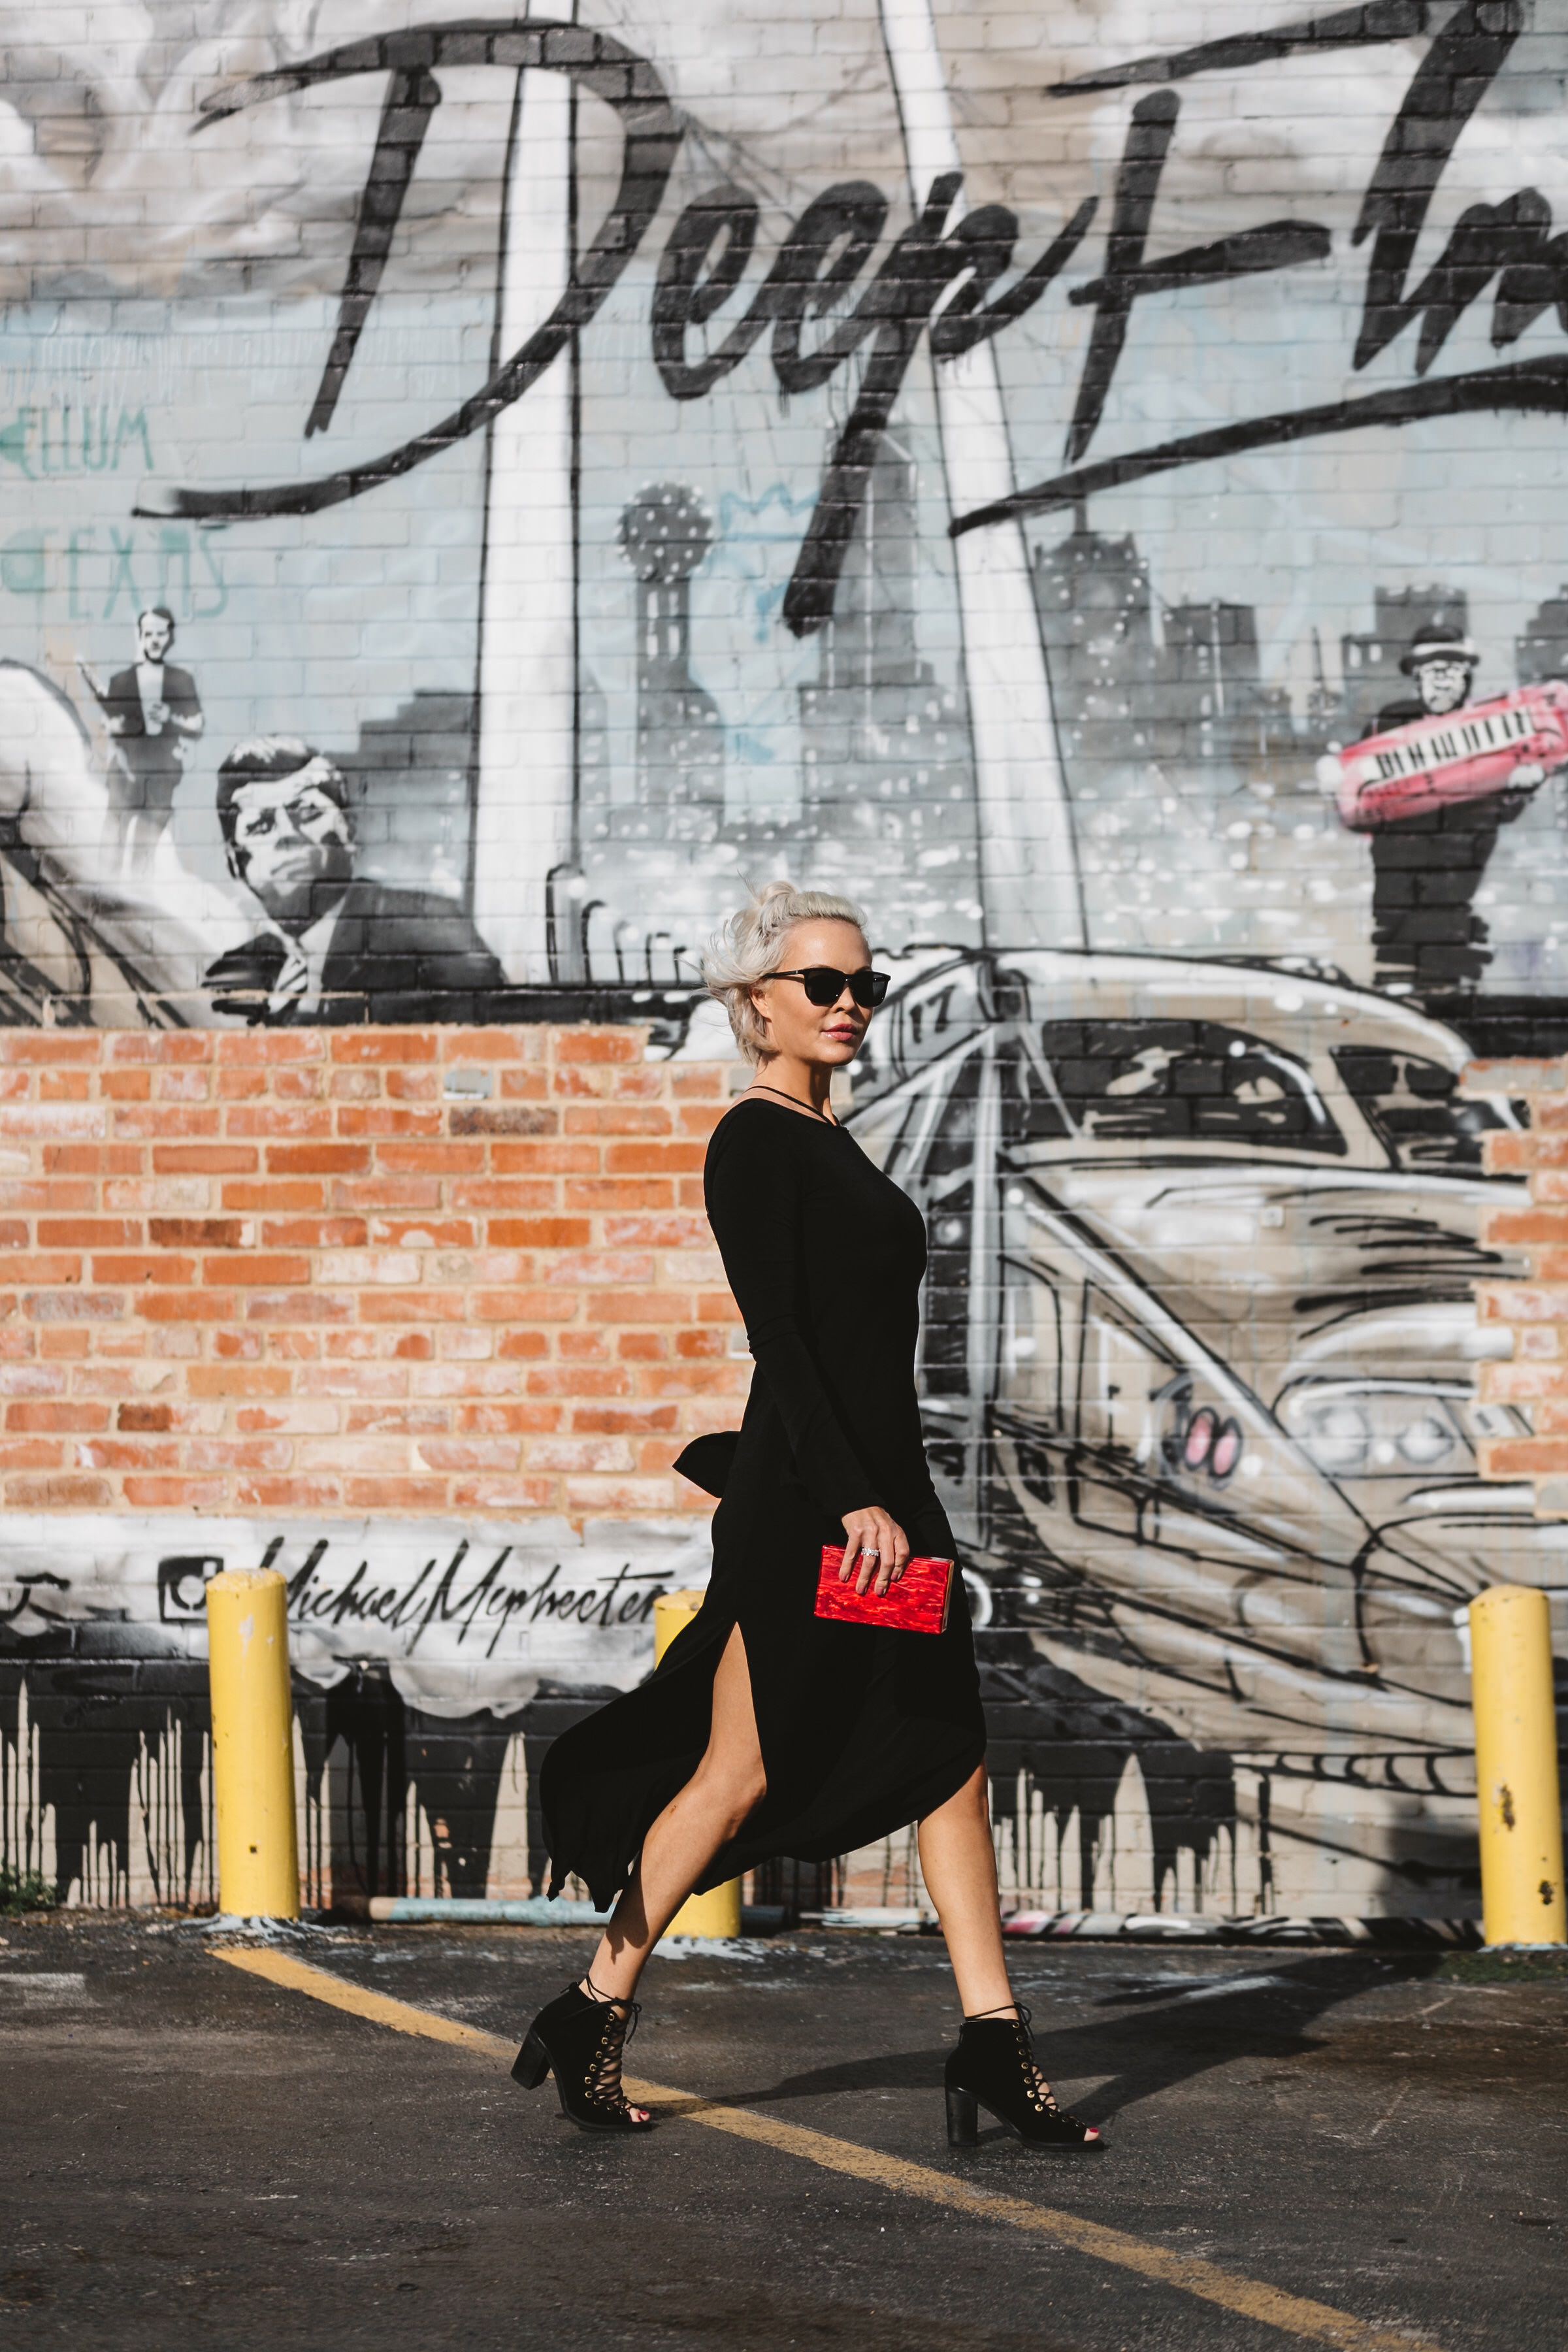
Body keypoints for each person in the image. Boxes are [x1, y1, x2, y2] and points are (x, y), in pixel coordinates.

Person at [518, 881, 1102, 2149]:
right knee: (740, 1774)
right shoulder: (755, 1140)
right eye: (822, 984)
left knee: (946, 1746)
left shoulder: (833, 1139)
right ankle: (593, 2000)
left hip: (883, 1497)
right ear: (755, 1002)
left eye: (864, 985)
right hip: (822, 1511)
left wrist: (884, 1495)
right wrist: (850, 1500)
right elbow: (781, 1339)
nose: (850, 1006)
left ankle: (994, 2046)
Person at [201, 736, 509, 1024]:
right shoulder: (235, 976)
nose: (287, 835)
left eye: (307, 812)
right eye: (260, 826)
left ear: (349, 829)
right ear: (235, 863)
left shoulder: (427, 929)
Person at [1362, 626, 1541, 996]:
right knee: (1398, 976)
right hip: (1397, 881)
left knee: (1445, 979)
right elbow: (1361, 795)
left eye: (1451, 671)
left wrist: (1520, 786)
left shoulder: (1490, 730)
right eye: (1431, 671)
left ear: (1466, 677)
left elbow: (1502, 810)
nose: (1441, 682)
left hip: (1454, 879)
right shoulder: (1387, 724)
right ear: (1416, 677)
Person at [78, 607, 204, 871]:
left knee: (144, 851)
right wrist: (115, 725)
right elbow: (111, 722)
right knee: (113, 839)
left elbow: (197, 725)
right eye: (149, 634)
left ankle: (134, 900)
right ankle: (106, 895)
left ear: (170, 636)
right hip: (125, 771)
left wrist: (171, 717)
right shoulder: (121, 681)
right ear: (141, 636)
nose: (155, 640)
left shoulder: (181, 681)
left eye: (161, 634)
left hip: (161, 776)